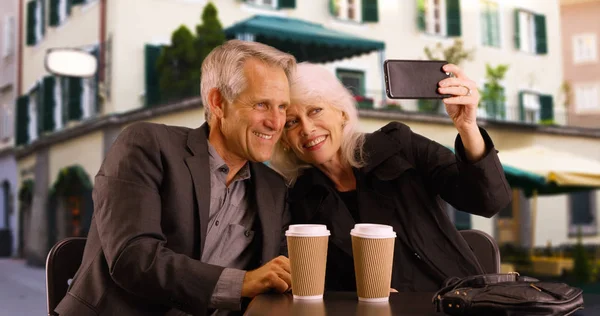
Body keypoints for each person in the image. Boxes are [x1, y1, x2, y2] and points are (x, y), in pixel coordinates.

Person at [55, 40, 296, 316]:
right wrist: (244, 282)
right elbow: (133, 258)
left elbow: (278, 278)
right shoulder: (147, 145)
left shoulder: (274, 189)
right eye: (262, 105)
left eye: (282, 107)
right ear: (218, 103)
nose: (276, 122)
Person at [270, 62, 512, 292]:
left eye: (315, 111)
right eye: (291, 122)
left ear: (342, 113)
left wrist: (468, 127)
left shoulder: (398, 144)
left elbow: (488, 201)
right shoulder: (294, 197)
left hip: (456, 299)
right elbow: (306, 281)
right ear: (285, 140)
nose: (307, 128)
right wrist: (354, 295)